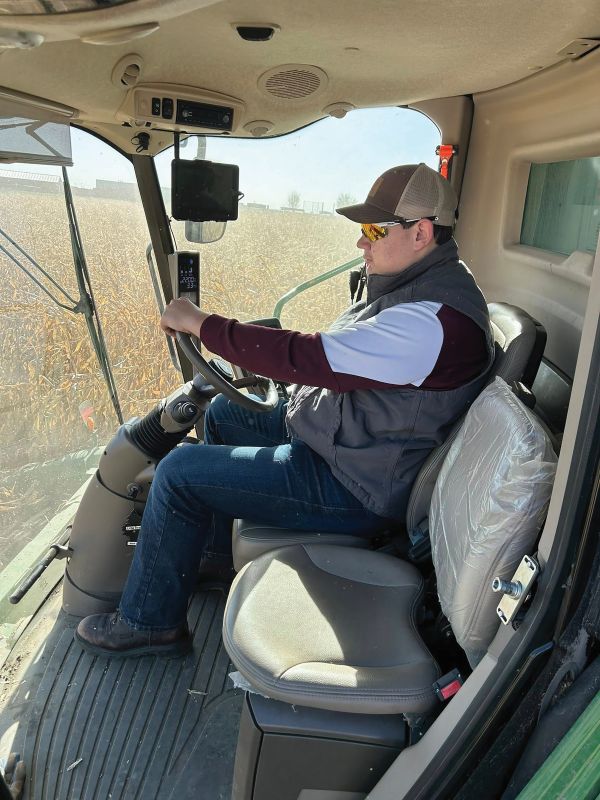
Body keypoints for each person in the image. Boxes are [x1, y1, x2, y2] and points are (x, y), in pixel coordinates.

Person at [75, 162, 494, 658]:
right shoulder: (414, 288)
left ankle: (149, 622)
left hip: (353, 483)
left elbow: (311, 357)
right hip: (347, 441)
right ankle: (207, 556)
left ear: (421, 232)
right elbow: (337, 361)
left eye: (373, 230)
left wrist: (203, 324)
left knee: (179, 472)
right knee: (221, 416)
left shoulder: (432, 321)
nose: (362, 243)